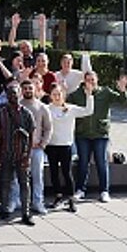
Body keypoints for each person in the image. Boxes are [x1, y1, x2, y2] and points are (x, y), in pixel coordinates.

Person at [71, 71, 127, 203]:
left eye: (93, 79)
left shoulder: (105, 92)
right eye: (88, 80)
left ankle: (104, 191)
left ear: (97, 80)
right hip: (83, 134)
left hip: (100, 134)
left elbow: (122, 100)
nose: (91, 82)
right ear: (84, 81)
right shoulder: (77, 94)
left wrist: (122, 89)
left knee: (101, 162)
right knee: (83, 163)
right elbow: (65, 104)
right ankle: (80, 190)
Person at [45, 83, 94, 212]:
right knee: (54, 173)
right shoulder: (47, 109)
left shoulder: (71, 109)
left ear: (64, 95)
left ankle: (71, 199)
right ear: (50, 96)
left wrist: (89, 95)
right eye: (54, 94)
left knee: (67, 173)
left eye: (59, 94)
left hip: (66, 145)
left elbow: (88, 111)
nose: (57, 97)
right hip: (51, 145)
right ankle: (58, 196)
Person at [0, 83, 36, 226]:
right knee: (5, 183)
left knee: (24, 184)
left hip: (21, 153)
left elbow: (31, 136)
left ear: (20, 94)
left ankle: (26, 213)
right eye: (10, 93)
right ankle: (4, 209)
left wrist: (28, 156)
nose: (13, 96)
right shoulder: (1, 113)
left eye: (15, 93)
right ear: (6, 96)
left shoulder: (26, 113)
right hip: (6, 152)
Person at [17, 79, 52, 215]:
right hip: (19, 148)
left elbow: (48, 128)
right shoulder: (17, 106)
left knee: (38, 177)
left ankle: (38, 202)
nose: (28, 91)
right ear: (21, 90)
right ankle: (16, 200)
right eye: (25, 89)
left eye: (30, 88)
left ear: (35, 90)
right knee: (16, 177)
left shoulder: (42, 107)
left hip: (36, 149)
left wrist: (43, 144)